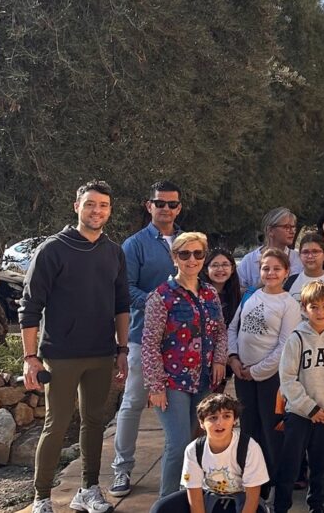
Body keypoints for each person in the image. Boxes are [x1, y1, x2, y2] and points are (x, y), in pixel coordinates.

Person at [19, 180, 130, 513]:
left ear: (110, 210)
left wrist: (122, 350)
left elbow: (121, 304)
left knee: (94, 422)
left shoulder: (114, 251)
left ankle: (88, 489)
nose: (97, 211)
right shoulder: (53, 249)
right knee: (56, 424)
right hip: (60, 354)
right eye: (90, 204)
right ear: (76, 206)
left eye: (103, 206)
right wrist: (29, 357)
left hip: (100, 354)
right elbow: (30, 305)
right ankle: (41, 497)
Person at [110, 179, 184, 497]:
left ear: (179, 207)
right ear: (149, 206)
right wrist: (158, 303)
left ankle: (183, 472)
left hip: (182, 342)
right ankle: (121, 470)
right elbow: (125, 289)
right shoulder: (135, 244)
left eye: (172, 204)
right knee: (134, 403)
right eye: (160, 203)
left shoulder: (187, 241)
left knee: (184, 407)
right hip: (143, 337)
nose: (165, 209)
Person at [143, 231, 229, 498]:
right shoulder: (161, 296)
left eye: (198, 253)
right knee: (178, 444)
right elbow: (149, 344)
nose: (192, 259)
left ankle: (191, 497)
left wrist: (219, 359)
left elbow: (221, 332)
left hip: (204, 380)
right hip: (172, 382)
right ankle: (167, 501)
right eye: (185, 254)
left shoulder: (209, 294)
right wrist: (155, 386)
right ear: (174, 257)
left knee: (197, 443)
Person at [227, 248, 301, 493]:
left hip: (271, 378)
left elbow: (284, 345)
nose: (270, 273)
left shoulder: (288, 304)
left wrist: (257, 370)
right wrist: (234, 359)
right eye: (266, 268)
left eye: (276, 269)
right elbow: (233, 329)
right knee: (249, 426)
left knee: (272, 429)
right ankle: (252, 479)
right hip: (242, 375)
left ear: (286, 272)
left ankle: (275, 484)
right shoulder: (251, 295)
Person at [273, 281, 324, 513]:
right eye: (314, 307)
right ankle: (281, 507)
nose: (320, 312)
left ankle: (317, 506)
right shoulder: (296, 339)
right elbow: (287, 379)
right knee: (290, 466)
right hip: (300, 414)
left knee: (320, 468)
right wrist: (311, 409)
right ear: (304, 308)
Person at [148, 394, 269, 513]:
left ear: (235, 421)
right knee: (160, 508)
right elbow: (194, 494)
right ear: (201, 423)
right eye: (212, 418)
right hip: (209, 496)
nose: (219, 423)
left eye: (226, 416)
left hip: (241, 499)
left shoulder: (249, 447)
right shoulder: (194, 449)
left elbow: (252, 497)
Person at [238, 207, 304, 289]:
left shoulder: (299, 259)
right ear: (270, 231)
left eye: (293, 227)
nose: (292, 231)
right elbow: (237, 292)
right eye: (287, 227)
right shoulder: (249, 261)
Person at [285, 232, 324, 311]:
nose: (310, 256)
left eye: (315, 252)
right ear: (300, 255)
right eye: (305, 252)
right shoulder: (290, 282)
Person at [203, 249, 242, 330]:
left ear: (232, 269)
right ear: (206, 270)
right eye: (214, 265)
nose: (220, 269)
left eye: (225, 265)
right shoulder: (199, 296)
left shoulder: (236, 296)